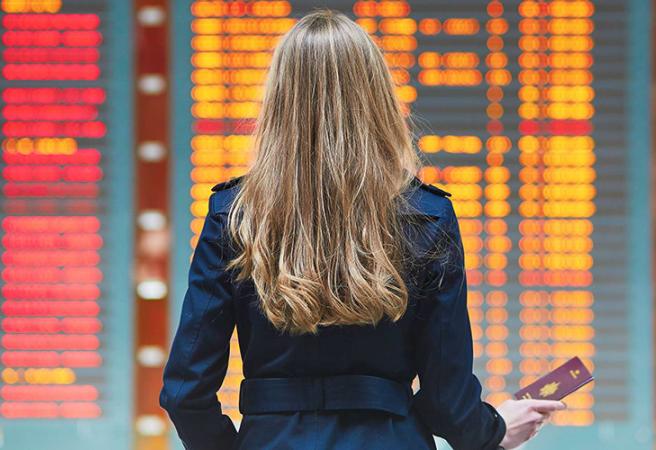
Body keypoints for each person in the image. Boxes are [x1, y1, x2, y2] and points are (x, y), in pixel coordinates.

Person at [159, 8, 565, 450]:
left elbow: (186, 393)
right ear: (377, 96)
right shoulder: (427, 215)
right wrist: (494, 430)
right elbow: (447, 397)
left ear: (277, 100)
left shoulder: (234, 215)